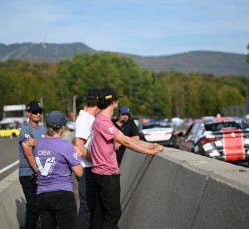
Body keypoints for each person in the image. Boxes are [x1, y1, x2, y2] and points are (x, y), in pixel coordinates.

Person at [90, 87, 164, 229]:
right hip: (107, 174)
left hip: (99, 173)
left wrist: (149, 147)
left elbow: (124, 138)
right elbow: (126, 142)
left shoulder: (100, 120)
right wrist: (150, 152)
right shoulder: (104, 123)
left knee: (100, 214)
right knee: (113, 214)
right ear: (112, 101)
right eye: (117, 99)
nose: (117, 102)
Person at [34, 111, 83, 229]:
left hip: (42, 195)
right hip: (62, 194)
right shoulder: (65, 145)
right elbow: (79, 172)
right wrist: (77, 155)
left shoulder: (38, 145)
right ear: (62, 127)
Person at [18, 100, 47, 229]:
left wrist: (38, 143)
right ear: (28, 113)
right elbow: (28, 153)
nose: (38, 114)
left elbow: (49, 147)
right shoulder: (25, 130)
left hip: (42, 171)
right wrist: (39, 172)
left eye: (40, 111)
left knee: (42, 206)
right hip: (28, 173)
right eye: (35, 112)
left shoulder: (44, 130)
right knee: (33, 206)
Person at [75, 89, 100, 229]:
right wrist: (96, 161)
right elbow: (79, 144)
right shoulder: (84, 119)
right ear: (97, 102)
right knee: (87, 207)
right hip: (86, 169)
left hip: (90, 168)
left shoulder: (89, 118)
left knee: (92, 205)